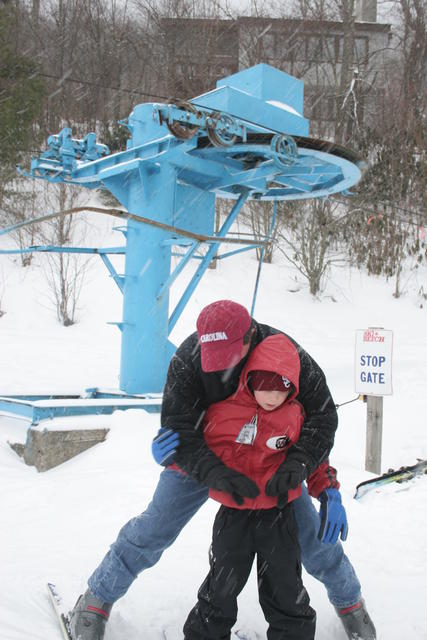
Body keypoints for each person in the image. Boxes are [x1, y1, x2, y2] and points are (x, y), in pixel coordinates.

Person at [69, 300, 376, 640]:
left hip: (269, 461)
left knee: (314, 537)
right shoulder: (188, 359)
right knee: (156, 527)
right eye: (209, 358)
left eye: (226, 360)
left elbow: (320, 419)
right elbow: (179, 428)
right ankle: (96, 598)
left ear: (249, 340)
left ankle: (350, 603)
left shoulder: (283, 354)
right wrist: (212, 472)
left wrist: (303, 468)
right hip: (206, 451)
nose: (215, 370)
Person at [184, 333, 320, 640]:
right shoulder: (224, 412)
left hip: (279, 517)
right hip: (234, 515)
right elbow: (199, 448)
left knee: (285, 587)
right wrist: (173, 454)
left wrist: (328, 489)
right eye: (264, 384)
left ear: (293, 386)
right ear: (250, 378)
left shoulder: (295, 416)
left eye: (282, 386)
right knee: (221, 586)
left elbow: (315, 457)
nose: (272, 395)